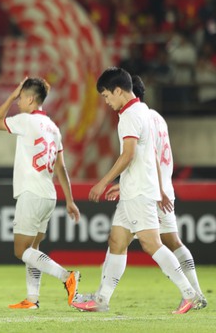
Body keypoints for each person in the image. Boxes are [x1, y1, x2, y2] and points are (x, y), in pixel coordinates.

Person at [72, 67, 199, 314]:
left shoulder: (129, 116)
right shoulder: (144, 111)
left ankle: (189, 293)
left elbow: (128, 154)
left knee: (152, 243)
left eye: (107, 96)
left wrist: (105, 181)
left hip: (140, 192)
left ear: (118, 90)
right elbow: (146, 155)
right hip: (136, 189)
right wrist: (127, 184)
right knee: (117, 241)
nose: (107, 102)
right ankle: (101, 299)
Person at [0, 77, 81, 310]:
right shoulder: (53, 127)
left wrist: (9, 96)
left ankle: (66, 277)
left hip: (31, 193)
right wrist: (69, 200)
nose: (18, 102)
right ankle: (32, 298)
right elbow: (61, 167)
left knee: (22, 251)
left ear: (30, 99)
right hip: (48, 195)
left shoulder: (26, 121)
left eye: (20, 98)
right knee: (33, 250)